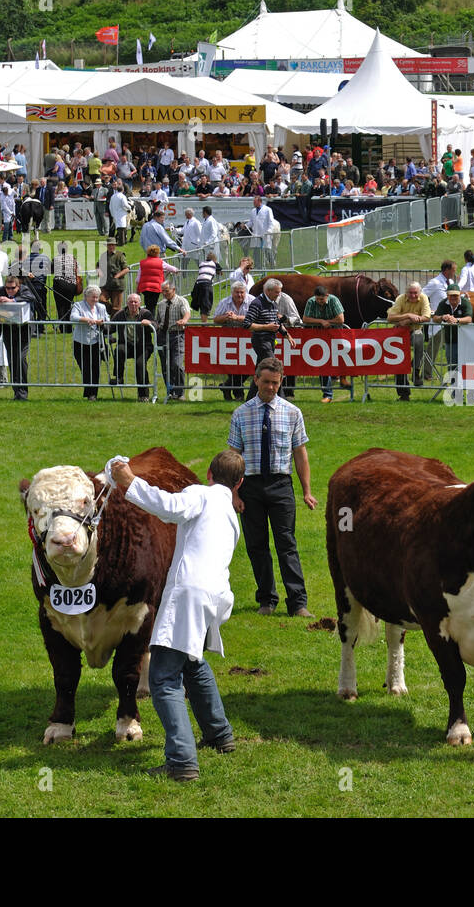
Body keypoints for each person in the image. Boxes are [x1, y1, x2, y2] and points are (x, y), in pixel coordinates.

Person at [110, 450, 244, 782]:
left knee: (164, 678)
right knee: (192, 663)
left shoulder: (201, 494)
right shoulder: (230, 515)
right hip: (215, 597)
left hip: (189, 592)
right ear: (239, 483)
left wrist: (129, 482)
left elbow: (169, 508)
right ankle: (219, 734)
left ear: (209, 475)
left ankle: (182, 761)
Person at [229, 356, 317, 618]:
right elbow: (234, 456)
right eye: (265, 382)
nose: (270, 388)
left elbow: (300, 454)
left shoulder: (293, 413)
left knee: (286, 544)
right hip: (251, 486)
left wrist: (307, 491)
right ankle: (266, 600)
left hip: (281, 485)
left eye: (275, 383)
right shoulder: (241, 414)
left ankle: (298, 603)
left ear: (281, 382)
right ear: (255, 379)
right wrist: (233, 493)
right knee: (256, 545)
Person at [244, 277, 300, 401]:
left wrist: (287, 336)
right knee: (274, 368)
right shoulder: (257, 303)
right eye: (277, 292)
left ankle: (249, 401)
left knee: (260, 371)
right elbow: (247, 324)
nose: (279, 294)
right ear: (268, 291)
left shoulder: (273, 304)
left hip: (270, 341)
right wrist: (266, 327)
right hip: (261, 341)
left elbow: (276, 323)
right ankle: (282, 400)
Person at [0, 274, 39, 399]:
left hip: (23, 330)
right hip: (8, 330)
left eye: (12, 288)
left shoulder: (24, 289)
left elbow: (31, 297)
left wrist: (12, 300)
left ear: (18, 287)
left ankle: (22, 392)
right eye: (7, 288)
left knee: (19, 358)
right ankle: (17, 392)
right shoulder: (2, 291)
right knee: (12, 360)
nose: (9, 290)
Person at [385, 281, 432, 400]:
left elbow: (426, 317)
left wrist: (408, 320)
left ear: (420, 292)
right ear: (406, 293)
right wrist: (409, 315)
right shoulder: (400, 298)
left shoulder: (424, 298)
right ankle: (403, 394)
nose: (413, 295)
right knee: (399, 361)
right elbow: (390, 317)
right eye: (410, 293)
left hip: (415, 330)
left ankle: (416, 371)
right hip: (400, 332)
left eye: (415, 293)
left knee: (418, 339)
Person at [303, 285, 349, 402]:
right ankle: (327, 394)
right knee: (323, 363)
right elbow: (305, 319)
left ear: (327, 296)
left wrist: (327, 322)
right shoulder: (311, 302)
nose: (319, 301)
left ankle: (343, 378)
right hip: (319, 337)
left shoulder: (334, 300)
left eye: (322, 299)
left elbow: (341, 319)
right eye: (317, 299)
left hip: (336, 335)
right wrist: (321, 321)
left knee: (342, 358)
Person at [114, 292, 156, 402]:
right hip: (127, 344)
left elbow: (156, 326)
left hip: (143, 346)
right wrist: (102, 326)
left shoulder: (145, 313)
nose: (133, 304)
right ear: (127, 303)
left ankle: (143, 394)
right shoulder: (120, 314)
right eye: (131, 302)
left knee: (140, 364)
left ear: (140, 303)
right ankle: (119, 378)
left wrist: (150, 323)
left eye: (135, 302)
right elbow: (110, 327)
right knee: (119, 350)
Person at [70, 285, 108, 401]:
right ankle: (88, 391)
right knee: (85, 368)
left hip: (96, 341)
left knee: (95, 368)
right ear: (86, 296)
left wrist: (102, 322)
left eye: (97, 297)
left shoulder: (101, 307)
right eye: (93, 297)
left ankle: (93, 394)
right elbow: (73, 317)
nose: (95, 300)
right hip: (80, 341)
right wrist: (87, 320)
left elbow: (107, 318)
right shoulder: (78, 305)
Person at [154, 279, 190, 400]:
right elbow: (158, 320)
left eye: (167, 291)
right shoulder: (161, 304)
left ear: (173, 290)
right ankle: (170, 391)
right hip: (163, 336)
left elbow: (187, 313)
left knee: (176, 363)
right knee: (165, 365)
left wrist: (184, 320)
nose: (164, 293)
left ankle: (180, 392)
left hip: (177, 335)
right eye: (162, 291)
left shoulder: (181, 301)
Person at [433, 282, 473, 373]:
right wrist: (442, 317)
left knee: (467, 364)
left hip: (466, 339)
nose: (453, 297)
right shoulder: (443, 303)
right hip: (450, 339)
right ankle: (453, 384)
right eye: (451, 295)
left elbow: (469, 318)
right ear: (447, 295)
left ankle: (467, 384)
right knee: (451, 364)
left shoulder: (465, 303)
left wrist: (456, 320)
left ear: (460, 295)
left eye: (456, 295)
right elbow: (435, 318)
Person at [137, 245, 176, 313]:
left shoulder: (142, 263)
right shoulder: (160, 262)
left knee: (148, 304)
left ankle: (148, 319)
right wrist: (176, 270)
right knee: (153, 305)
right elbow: (172, 268)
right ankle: (151, 320)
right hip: (156, 287)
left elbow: (138, 278)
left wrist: (137, 286)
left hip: (145, 287)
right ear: (157, 253)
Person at [247, 195, 275, 268]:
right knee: (256, 252)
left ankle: (272, 266)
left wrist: (269, 231)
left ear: (259, 202)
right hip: (256, 235)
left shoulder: (267, 210)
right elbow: (251, 222)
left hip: (265, 234)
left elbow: (271, 222)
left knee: (267, 251)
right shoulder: (253, 211)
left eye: (255, 202)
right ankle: (258, 267)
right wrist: (245, 225)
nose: (253, 204)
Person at [191, 252, 219, 321]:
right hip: (206, 284)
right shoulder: (215, 264)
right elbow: (220, 272)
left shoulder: (202, 263)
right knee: (205, 305)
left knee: (201, 303)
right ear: (214, 259)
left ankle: (203, 323)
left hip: (197, 284)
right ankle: (204, 325)